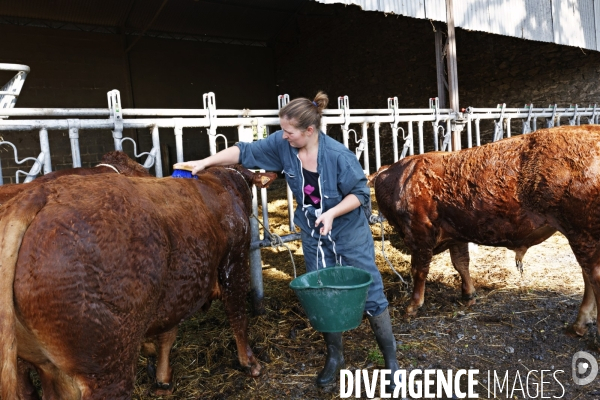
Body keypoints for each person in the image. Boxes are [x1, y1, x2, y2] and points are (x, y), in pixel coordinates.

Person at [175, 91, 399, 389]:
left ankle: (392, 362)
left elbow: (359, 195)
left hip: (348, 234)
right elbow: (243, 151)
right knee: (324, 292)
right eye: (282, 129)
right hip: (313, 234)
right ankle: (335, 358)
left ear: (309, 131)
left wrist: (332, 213)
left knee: (369, 290)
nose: (284, 135)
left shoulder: (338, 156)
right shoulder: (284, 147)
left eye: (289, 131)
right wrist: (205, 161)